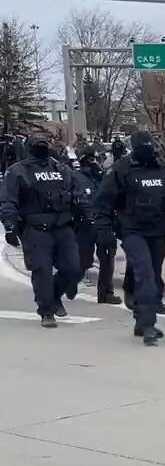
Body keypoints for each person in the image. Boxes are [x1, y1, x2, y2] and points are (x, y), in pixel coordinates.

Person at [93, 130, 165, 345]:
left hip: (158, 230)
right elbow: (102, 203)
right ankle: (148, 323)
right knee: (146, 273)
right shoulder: (121, 169)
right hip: (132, 230)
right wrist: (103, 232)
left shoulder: (163, 169)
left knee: (152, 273)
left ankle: (140, 314)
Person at [0, 133, 87, 326]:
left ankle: (55, 296)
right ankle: (46, 311)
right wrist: (10, 227)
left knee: (73, 268)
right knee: (42, 271)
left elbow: (78, 192)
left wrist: (86, 214)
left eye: (44, 142)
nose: (42, 145)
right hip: (35, 229)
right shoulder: (17, 171)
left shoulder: (61, 168)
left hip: (63, 226)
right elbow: (8, 201)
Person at [73, 147, 121, 305]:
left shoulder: (103, 178)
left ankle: (106, 293)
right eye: (92, 159)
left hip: (103, 224)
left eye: (97, 159)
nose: (96, 163)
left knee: (108, 257)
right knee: (84, 261)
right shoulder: (76, 178)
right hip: (84, 225)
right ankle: (68, 282)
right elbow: (78, 200)